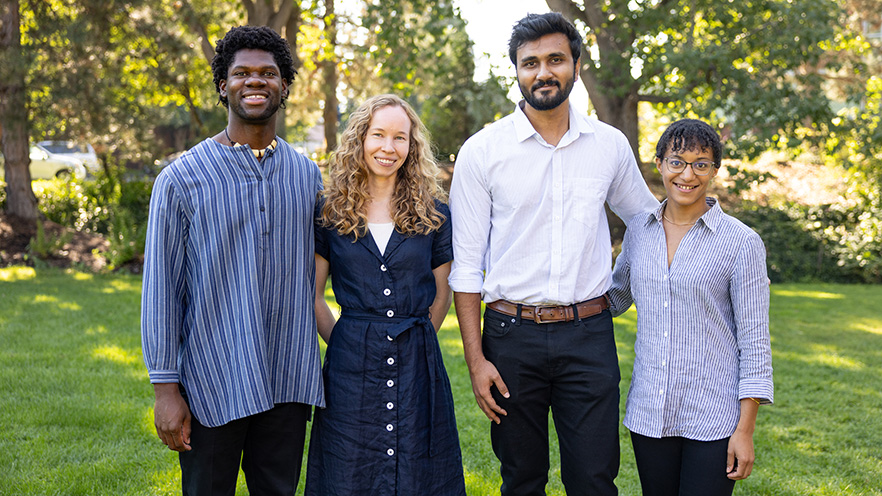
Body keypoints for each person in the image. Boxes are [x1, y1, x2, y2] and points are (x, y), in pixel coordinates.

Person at [448, 12, 660, 496]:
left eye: (555, 59)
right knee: (521, 479)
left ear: (577, 66)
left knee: (593, 478)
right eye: (530, 63)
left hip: (589, 336)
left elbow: (648, 222)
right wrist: (476, 360)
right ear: (517, 71)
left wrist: (621, 290)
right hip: (509, 337)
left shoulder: (608, 145)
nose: (543, 72)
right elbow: (465, 267)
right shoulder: (483, 151)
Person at [141, 26, 324, 495]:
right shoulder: (181, 179)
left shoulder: (306, 176)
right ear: (223, 85)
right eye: (241, 73)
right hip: (214, 382)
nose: (255, 81)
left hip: (288, 377)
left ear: (285, 86)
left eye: (269, 73)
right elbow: (162, 289)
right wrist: (166, 391)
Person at [305, 94, 466, 496]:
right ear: (361, 139)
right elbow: (313, 295)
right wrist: (348, 338)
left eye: (400, 138)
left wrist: (413, 337)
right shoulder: (329, 211)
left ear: (412, 147)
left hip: (418, 363)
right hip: (349, 367)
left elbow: (441, 294)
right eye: (378, 135)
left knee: (419, 467)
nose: (388, 148)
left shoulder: (434, 213)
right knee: (348, 469)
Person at [608, 119, 774, 496]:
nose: (688, 174)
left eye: (701, 163)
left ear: (715, 169)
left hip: (714, 416)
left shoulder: (741, 243)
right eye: (677, 161)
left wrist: (745, 430)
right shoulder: (638, 231)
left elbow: (755, 343)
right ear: (659, 164)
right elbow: (614, 299)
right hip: (651, 412)